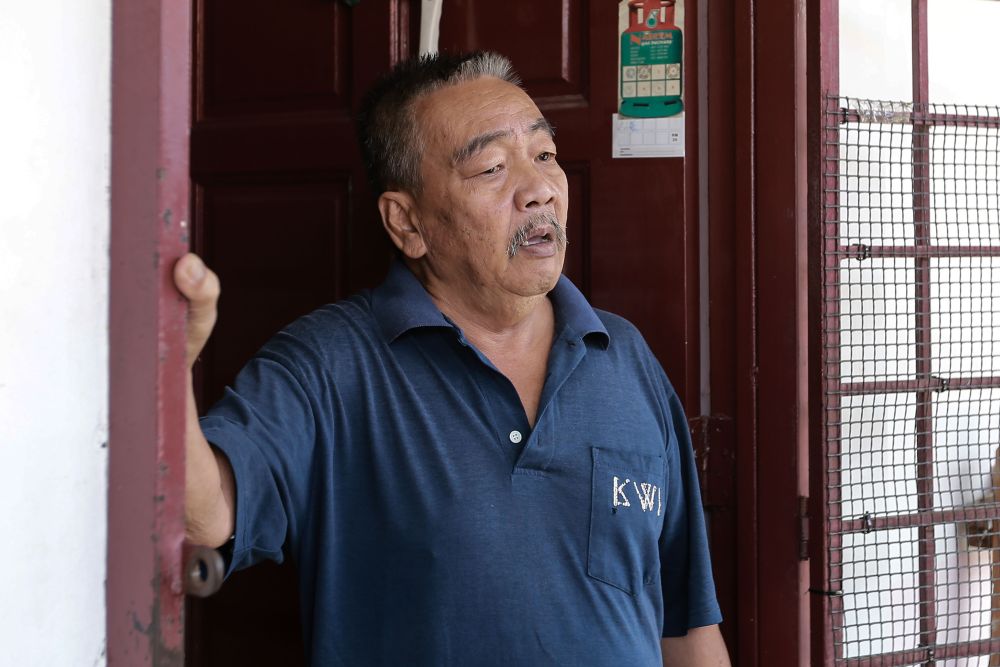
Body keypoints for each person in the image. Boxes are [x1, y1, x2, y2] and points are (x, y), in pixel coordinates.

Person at [177, 51, 730, 667]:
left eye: (545, 155)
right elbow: (206, 515)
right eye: (492, 167)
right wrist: (164, 371)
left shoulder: (623, 355)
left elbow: (685, 624)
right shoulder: (329, 366)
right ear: (407, 222)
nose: (540, 189)